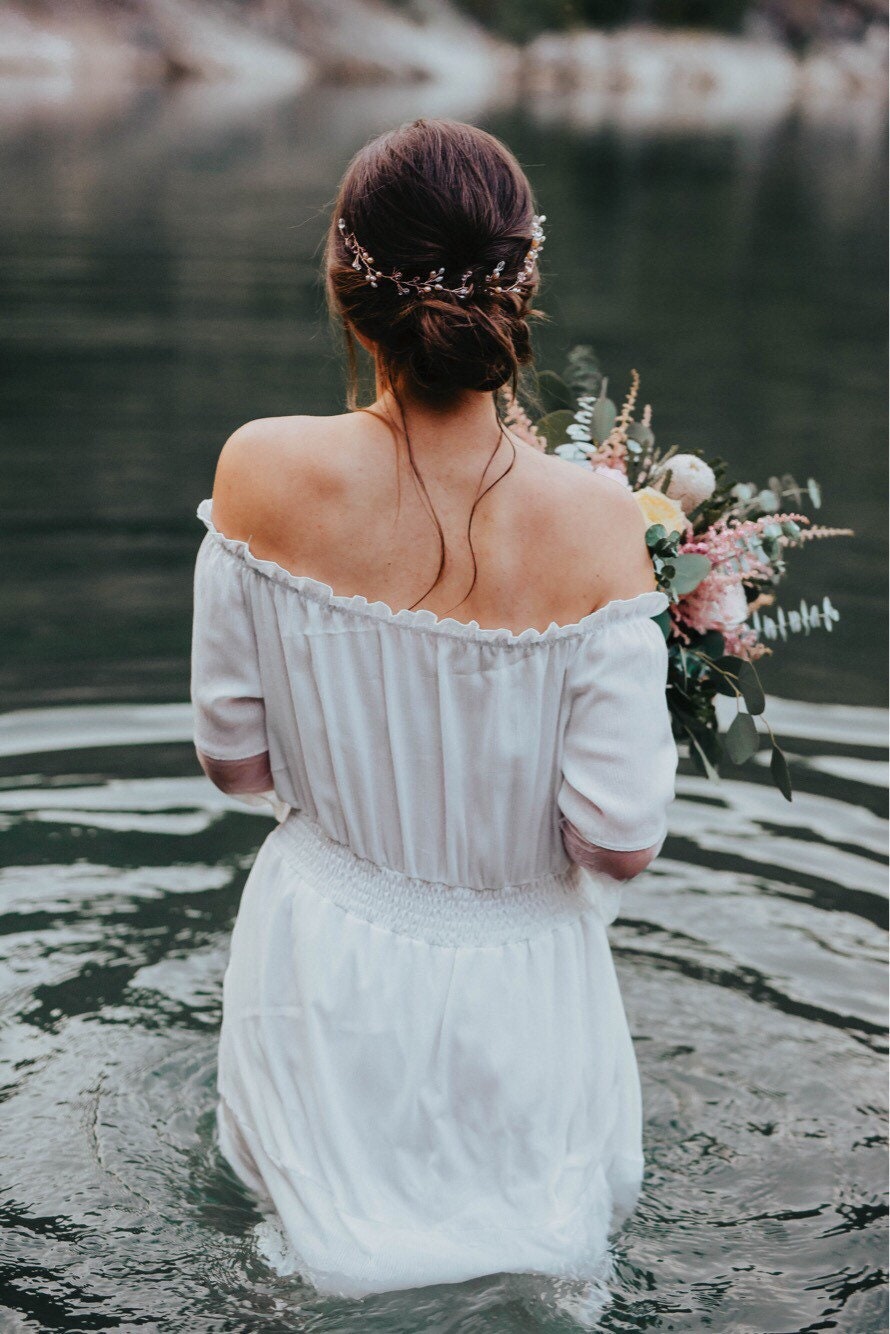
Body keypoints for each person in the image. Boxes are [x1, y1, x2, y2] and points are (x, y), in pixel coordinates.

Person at [189, 118, 677, 1299]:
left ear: (343, 285)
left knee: (301, 1261)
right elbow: (617, 837)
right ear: (525, 284)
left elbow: (235, 765)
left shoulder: (258, 468)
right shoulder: (605, 526)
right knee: (540, 1271)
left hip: (321, 957)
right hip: (523, 983)